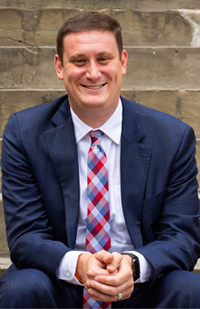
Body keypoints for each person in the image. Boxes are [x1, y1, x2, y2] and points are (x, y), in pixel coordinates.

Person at [0, 10, 200, 308]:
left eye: (103, 59)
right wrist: (78, 264)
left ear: (123, 61)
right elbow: (26, 236)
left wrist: (133, 265)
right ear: (59, 66)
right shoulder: (25, 133)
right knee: (21, 287)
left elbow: (182, 236)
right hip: (61, 282)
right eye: (79, 61)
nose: (92, 73)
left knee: (190, 288)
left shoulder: (172, 137)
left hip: (141, 287)